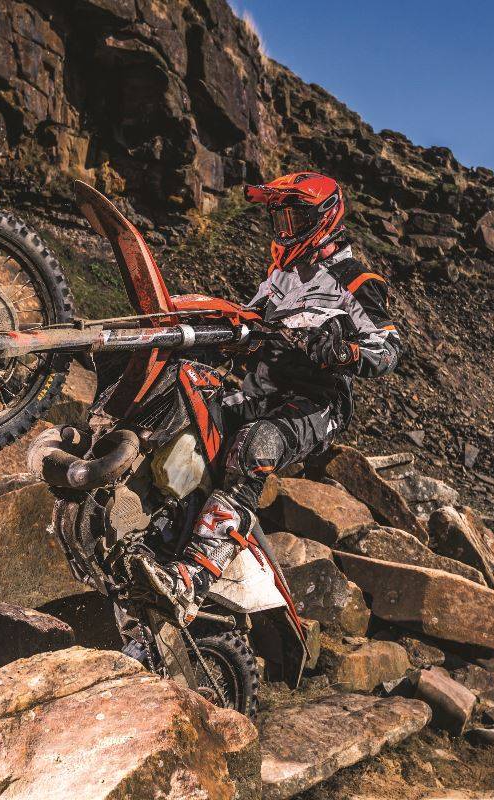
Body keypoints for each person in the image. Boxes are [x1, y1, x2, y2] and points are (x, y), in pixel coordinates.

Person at [133, 171, 402, 624]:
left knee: (255, 446)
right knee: (185, 407)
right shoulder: (283, 275)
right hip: (261, 387)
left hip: (317, 400)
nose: (285, 228)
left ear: (324, 219)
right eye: (280, 218)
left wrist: (343, 350)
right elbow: (251, 321)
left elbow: (389, 346)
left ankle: (192, 579)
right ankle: (150, 525)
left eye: (295, 218)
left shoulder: (355, 279)